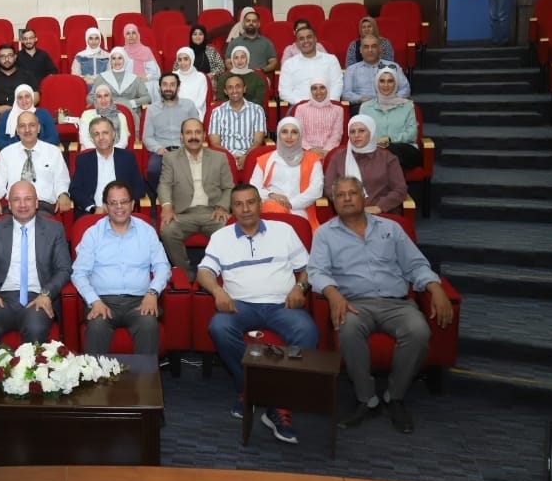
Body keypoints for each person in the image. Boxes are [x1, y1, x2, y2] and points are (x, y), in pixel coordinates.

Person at [308, 176, 454, 434]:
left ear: (364, 197)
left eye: (352, 193)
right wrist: (333, 294)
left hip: (396, 303)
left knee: (419, 331)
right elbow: (317, 272)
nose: (346, 199)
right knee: (348, 329)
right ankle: (367, 399)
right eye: (340, 195)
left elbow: (416, 265)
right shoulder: (325, 234)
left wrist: (435, 287)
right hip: (354, 303)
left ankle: (394, 396)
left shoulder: (392, 228)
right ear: (333, 202)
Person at [197, 183, 319, 443]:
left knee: (308, 331)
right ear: (232, 209)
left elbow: (309, 268)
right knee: (219, 326)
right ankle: (249, 389)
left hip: (281, 305)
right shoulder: (221, 237)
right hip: (241, 305)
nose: (245, 209)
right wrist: (218, 292)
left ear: (260, 204)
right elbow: (204, 272)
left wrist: (300, 287)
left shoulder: (284, 231)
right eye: (238, 204)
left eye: (250, 202)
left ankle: (279, 403)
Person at [71, 180, 171, 356]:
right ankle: (96, 375)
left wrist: (153, 293)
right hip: (102, 301)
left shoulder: (146, 231)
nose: (119, 207)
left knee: (148, 324)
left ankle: (145, 374)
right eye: (113, 203)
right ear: (105, 206)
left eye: (124, 202)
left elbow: (163, 266)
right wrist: (94, 301)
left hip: (140, 301)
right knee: (97, 326)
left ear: (132, 204)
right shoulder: (93, 234)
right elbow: (79, 273)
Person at [0, 180, 71, 347]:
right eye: (16, 199)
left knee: (35, 328)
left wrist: (46, 294)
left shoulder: (54, 229)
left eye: (28, 199)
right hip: (0, 298)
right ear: (9, 204)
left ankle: (32, 366)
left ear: (36, 203)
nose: (22, 205)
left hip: (37, 297)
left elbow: (64, 269)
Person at [157, 118, 234, 280]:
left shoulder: (219, 158)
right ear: (181, 136)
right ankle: (187, 275)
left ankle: (216, 274)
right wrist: (167, 206)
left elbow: (229, 187)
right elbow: (164, 185)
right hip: (183, 214)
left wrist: (222, 207)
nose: (193, 136)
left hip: (212, 212)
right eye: (188, 133)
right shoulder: (170, 158)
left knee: (229, 230)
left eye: (198, 132)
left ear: (204, 135)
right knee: (167, 230)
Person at [0, 110, 73, 217]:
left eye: (32, 125)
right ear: (17, 130)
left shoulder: (53, 152)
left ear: (38, 128)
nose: (27, 130)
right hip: (14, 207)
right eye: (22, 126)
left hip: (42, 206)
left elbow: (62, 180)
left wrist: (63, 194)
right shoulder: (6, 153)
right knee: (1, 227)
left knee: (39, 226)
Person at [323, 114, 408, 216]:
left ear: (371, 132)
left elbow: (400, 189)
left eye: (361, 131)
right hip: (348, 214)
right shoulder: (338, 157)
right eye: (352, 131)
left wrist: (380, 207)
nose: (356, 135)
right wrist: (348, 205)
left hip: (381, 214)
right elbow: (329, 188)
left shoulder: (387, 158)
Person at [248, 116, 323, 230]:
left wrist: (291, 203)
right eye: (284, 132)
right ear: (278, 135)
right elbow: (254, 187)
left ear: (300, 135)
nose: (289, 136)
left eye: (294, 132)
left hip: (300, 209)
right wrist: (271, 195)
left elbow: (316, 189)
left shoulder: (313, 160)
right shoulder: (265, 159)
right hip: (271, 209)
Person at [71, 116, 145, 218]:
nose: (101, 137)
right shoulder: (83, 160)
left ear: (113, 134)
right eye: (96, 134)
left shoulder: (127, 157)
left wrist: (123, 205)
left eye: (105, 133)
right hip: (93, 214)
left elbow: (139, 187)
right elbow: (75, 190)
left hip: (122, 213)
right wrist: (93, 208)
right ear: (92, 138)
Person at [142, 72, 197, 198]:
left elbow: (196, 131)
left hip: (184, 149)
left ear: (178, 87)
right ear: (160, 88)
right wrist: (158, 148)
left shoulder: (189, 105)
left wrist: (187, 147)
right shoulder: (152, 109)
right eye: (165, 84)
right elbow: (147, 137)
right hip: (161, 151)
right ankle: (159, 197)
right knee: (153, 170)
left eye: (172, 85)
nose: (168, 88)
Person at [359, 66, 422, 170]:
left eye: (390, 81)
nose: (386, 85)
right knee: (384, 157)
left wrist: (388, 140)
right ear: (376, 83)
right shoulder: (366, 107)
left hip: (405, 151)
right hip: (376, 151)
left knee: (386, 154)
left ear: (396, 83)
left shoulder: (408, 106)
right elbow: (361, 133)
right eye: (382, 81)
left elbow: (412, 134)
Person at [208, 73, 267, 172]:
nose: (234, 90)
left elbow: (258, 141)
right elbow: (215, 143)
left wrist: (246, 157)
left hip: (249, 155)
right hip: (225, 157)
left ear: (244, 89)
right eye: (230, 88)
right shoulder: (217, 112)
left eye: (238, 86)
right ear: (225, 92)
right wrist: (230, 158)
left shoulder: (257, 110)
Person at [276, 23, 343, 108]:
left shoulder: (331, 60)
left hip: (328, 107)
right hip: (299, 107)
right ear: (297, 43)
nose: (306, 41)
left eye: (309, 37)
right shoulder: (289, 64)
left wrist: (326, 104)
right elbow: (284, 92)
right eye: (301, 39)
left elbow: (337, 85)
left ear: (315, 39)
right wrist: (303, 105)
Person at [342, 34, 410, 112]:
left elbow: (405, 89)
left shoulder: (393, 67)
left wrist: (392, 99)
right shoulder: (351, 69)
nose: (370, 50)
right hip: (363, 106)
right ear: (360, 50)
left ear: (380, 49)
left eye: (374, 46)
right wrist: (361, 99)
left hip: (390, 105)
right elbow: (346, 94)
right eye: (366, 47)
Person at [0, 42, 39, 126]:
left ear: (15, 57)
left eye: (10, 55)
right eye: (3, 56)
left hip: (22, 114)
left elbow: (36, 97)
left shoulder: (27, 76)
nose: (7, 59)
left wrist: (18, 109)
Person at [93, 47, 152, 130]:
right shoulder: (101, 77)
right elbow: (91, 97)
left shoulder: (135, 78)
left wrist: (131, 103)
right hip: (106, 114)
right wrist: (104, 103)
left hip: (130, 114)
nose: (116, 61)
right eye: (114, 58)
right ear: (110, 61)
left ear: (125, 59)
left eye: (120, 58)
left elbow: (147, 98)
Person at [0, 82, 60, 151]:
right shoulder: (6, 116)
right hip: (14, 153)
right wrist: (21, 146)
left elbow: (54, 139)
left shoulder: (44, 114)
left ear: (32, 97)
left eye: (27, 96)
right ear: (16, 100)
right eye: (20, 98)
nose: (24, 100)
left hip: (41, 151)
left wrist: (34, 146)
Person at [292, 77, 345, 158]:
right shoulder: (301, 109)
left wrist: (326, 151)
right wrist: (311, 150)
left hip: (330, 152)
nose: (318, 92)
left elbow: (336, 135)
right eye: (314, 88)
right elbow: (299, 134)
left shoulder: (338, 110)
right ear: (310, 91)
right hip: (305, 152)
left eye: (322, 88)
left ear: (327, 89)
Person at [77, 84, 131, 150]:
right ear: (95, 99)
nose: (103, 100)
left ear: (111, 98)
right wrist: (100, 152)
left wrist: (110, 152)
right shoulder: (86, 115)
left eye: (106, 95)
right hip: (91, 152)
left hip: (115, 153)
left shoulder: (120, 116)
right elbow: (84, 139)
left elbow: (123, 141)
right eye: (99, 96)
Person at [225, 8, 278, 74]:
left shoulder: (267, 42)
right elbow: (228, 62)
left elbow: (273, 61)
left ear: (258, 24)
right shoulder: (234, 43)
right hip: (240, 76)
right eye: (248, 21)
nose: (251, 23)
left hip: (260, 75)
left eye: (254, 21)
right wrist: (238, 72)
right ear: (243, 24)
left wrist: (263, 70)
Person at [121, 23, 162, 102]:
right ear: (124, 36)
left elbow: (155, 72)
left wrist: (146, 78)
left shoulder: (146, 50)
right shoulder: (121, 52)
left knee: (150, 87)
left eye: (133, 33)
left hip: (145, 81)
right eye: (128, 33)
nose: (131, 36)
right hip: (127, 82)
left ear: (137, 35)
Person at [173, 46, 210, 120]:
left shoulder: (200, 77)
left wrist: (186, 111)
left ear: (192, 59)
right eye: (180, 60)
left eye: (186, 59)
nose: (182, 63)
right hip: (175, 112)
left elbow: (200, 102)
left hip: (194, 113)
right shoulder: (173, 76)